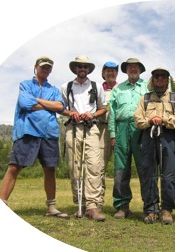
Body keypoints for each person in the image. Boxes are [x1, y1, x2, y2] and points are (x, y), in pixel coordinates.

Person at [0, 56, 69, 219]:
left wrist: (36, 101)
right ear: (36, 67)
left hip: (49, 133)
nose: (45, 70)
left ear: (50, 70)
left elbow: (60, 106)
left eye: (48, 68)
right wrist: (48, 104)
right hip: (28, 131)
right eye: (42, 67)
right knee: (14, 167)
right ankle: (1, 203)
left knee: (50, 169)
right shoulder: (25, 85)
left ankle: (51, 207)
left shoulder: (53, 89)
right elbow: (25, 104)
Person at [134, 67, 175, 224]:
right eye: (157, 76)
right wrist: (150, 120)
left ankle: (167, 210)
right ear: (153, 79)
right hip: (148, 137)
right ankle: (151, 210)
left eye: (163, 76)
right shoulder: (145, 99)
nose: (160, 79)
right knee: (149, 174)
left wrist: (163, 119)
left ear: (167, 80)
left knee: (169, 175)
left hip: (168, 137)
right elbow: (138, 119)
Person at [60, 55, 106, 221]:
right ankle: (81, 203)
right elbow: (61, 108)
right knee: (75, 166)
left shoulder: (96, 86)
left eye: (85, 66)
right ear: (75, 68)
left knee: (93, 165)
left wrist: (91, 114)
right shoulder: (66, 86)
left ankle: (93, 206)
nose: (82, 69)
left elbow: (103, 109)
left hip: (91, 128)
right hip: (73, 128)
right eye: (79, 66)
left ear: (88, 69)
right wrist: (70, 113)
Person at [108, 58, 148, 219]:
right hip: (121, 128)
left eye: (135, 66)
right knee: (121, 168)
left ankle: (149, 205)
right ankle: (122, 205)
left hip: (141, 129)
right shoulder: (117, 89)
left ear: (140, 69)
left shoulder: (147, 86)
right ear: (126, 70)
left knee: (145, 167)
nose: (133, 69)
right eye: (130, 67)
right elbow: (111, 112)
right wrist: (112, 134)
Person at [98, 61, 119, 212]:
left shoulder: (121, 89)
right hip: (101, 129)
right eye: (108, 71)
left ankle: (121, 204)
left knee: (120, 167)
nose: (111, 73)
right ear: (103, 73)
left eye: (113, 71)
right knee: (99, 167)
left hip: (120, 130)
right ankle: (97, 201)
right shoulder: (98, 89)